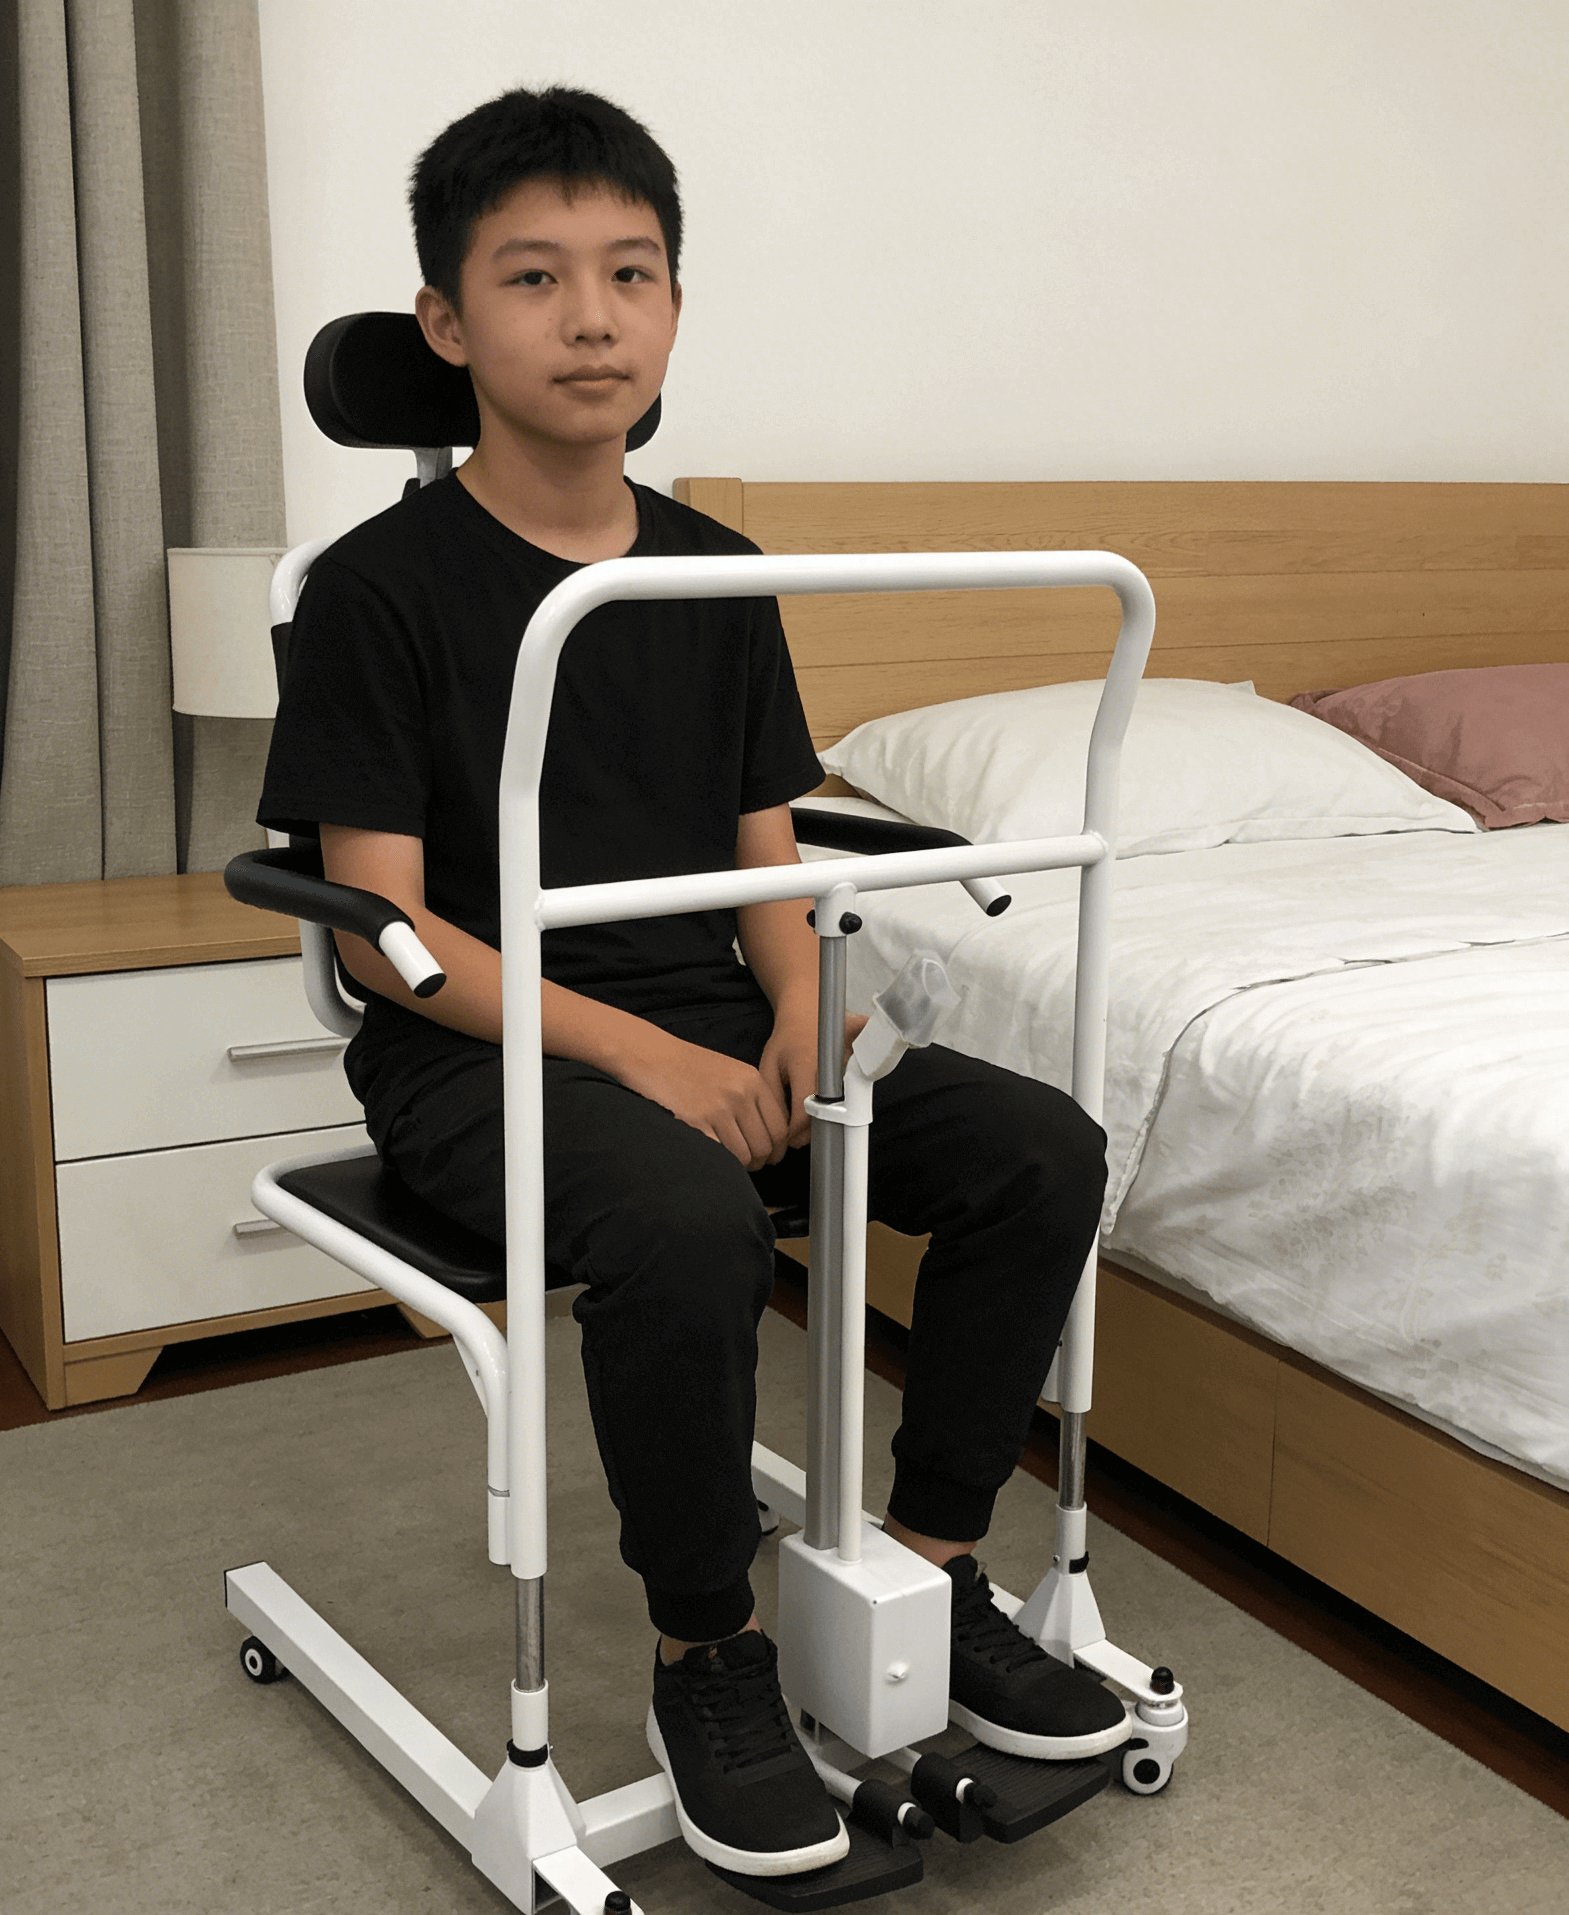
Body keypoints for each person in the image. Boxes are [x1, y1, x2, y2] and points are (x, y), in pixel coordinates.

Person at [256, 85, 1124, 1881]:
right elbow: (382, 932)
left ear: (671, 307)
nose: (592, 317)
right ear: (445, 323)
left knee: (1041, 1146)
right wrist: (650, 1058)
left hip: (718, 1019)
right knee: (684, 1220)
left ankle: (937, 1568)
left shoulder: (720, 569)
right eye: (535, 277)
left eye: (631, 274)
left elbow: (768, 859)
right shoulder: (374, 591)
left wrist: (804, 1008)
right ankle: (707, 1652)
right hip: (476, 1046)